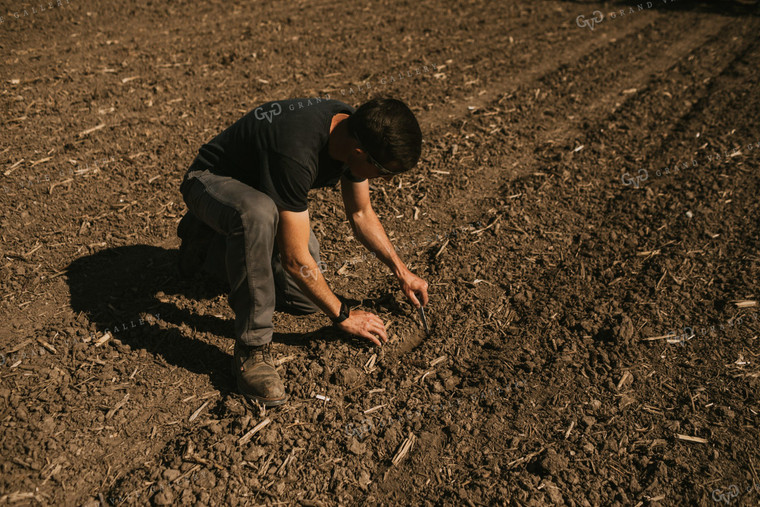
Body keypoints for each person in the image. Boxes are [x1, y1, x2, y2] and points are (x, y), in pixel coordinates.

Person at [177, 97, 430, 406]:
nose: (387, 180)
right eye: (384, 172)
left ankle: (213, 249)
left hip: (268, 192)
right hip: (211, 183)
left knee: (303, 300)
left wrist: (401, 272)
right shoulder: (296, 149)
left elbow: (361, 213)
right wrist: (344, 315)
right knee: (256, 215)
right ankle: (252, 351)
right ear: (359, 154)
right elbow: (296, 260)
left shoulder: (355, 129)